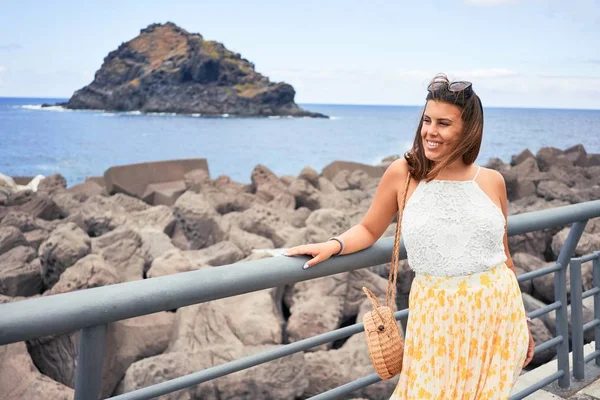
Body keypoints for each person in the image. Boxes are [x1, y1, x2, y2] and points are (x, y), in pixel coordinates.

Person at [284, 73, 535, 399]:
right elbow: (369, 229)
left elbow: (504, 256)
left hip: (499, 317)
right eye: (427, 120)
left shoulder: (492, 181)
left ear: (468, 130)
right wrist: (334, 245)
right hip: (435, 317)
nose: (430, 131)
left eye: (444, 123)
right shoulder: (403, 173)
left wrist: (523, 324)